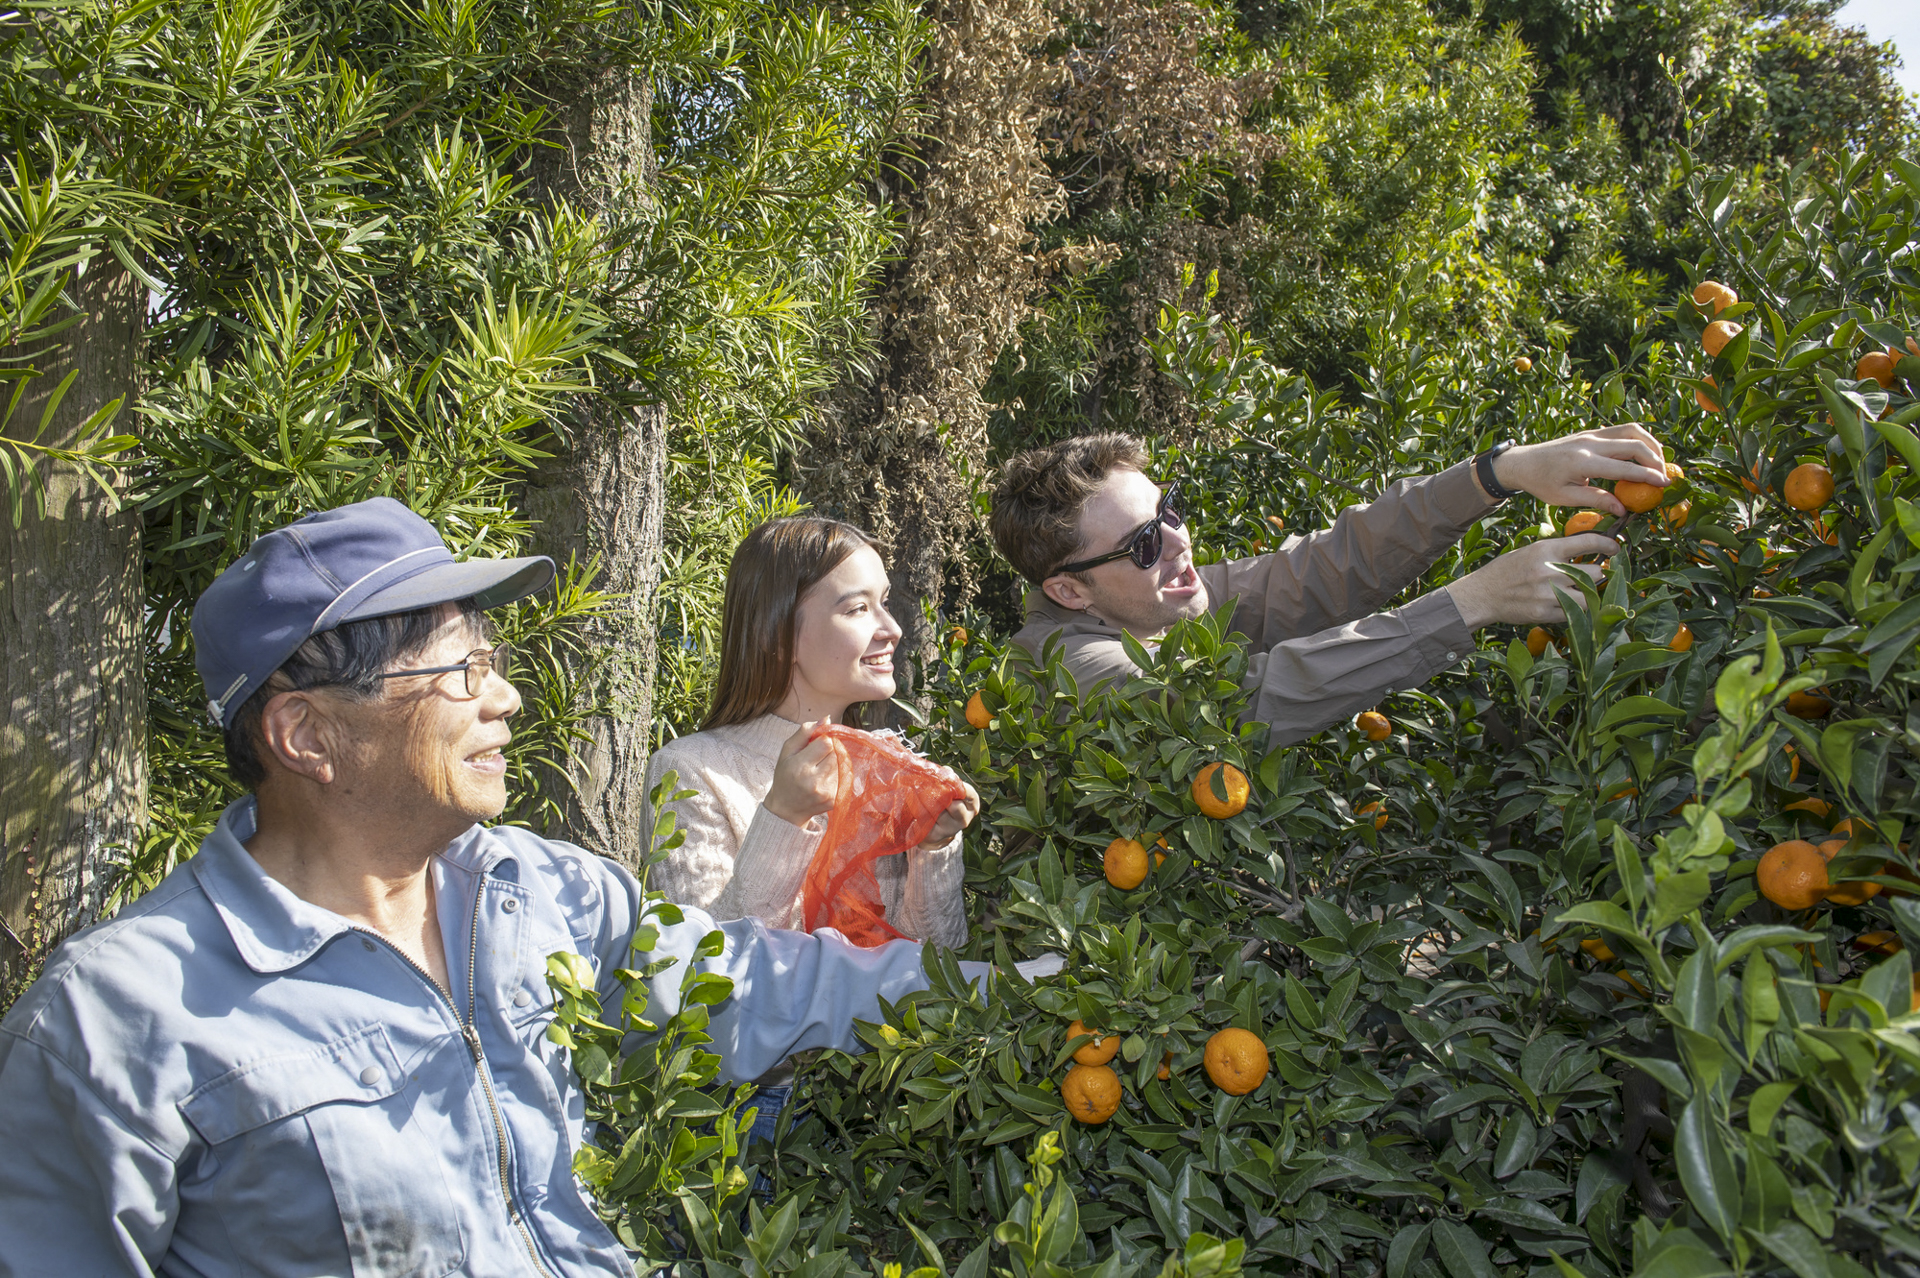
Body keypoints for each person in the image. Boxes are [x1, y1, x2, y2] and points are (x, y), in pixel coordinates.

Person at [0, 497, 992, 1277]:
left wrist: (1030, 992)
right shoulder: (119, 1021)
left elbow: (766, 982)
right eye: (460, 672)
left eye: (495, 659)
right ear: (308, 736)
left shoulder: (536, 893)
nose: (507, 696)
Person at [990, 427, 1670, 742]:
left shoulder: (1155, 604)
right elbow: (1238, 707)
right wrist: (1472, 603)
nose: (1176, 540)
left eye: (1169, 510)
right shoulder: (1065, 668)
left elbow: (1320, 571)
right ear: (1069, 593)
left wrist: (1499, 473)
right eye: (1142, 544)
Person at [643, 516, 981, 1148]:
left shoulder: (889, 765)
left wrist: (936, 848)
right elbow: (708, 984)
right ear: (780, 636)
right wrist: (784, 818)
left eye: (885, 602)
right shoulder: (691, 769)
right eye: (858, 608)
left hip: (890, 1102)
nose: (892, 628)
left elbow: (937, 965)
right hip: (760, 1115)